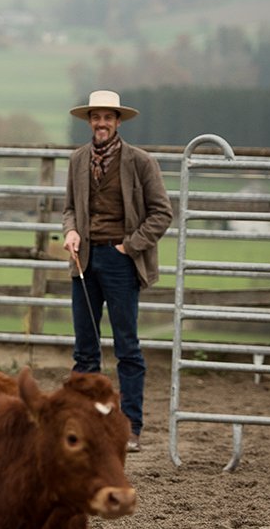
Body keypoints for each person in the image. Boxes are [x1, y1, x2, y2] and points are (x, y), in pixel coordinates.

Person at [61, 90, 172, 453]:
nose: (102, 123)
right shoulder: (78, 160)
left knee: (127, 348)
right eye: (96, 117)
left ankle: (130, 427)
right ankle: (84, 424)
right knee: (85, 350)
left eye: (108, 117)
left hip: (122, 262)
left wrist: (131, 246)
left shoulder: (141, 162)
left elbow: (162, 213)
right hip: (85, 262)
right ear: (89, 121)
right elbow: (69, 209)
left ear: (118, 122)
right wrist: (71, 231)